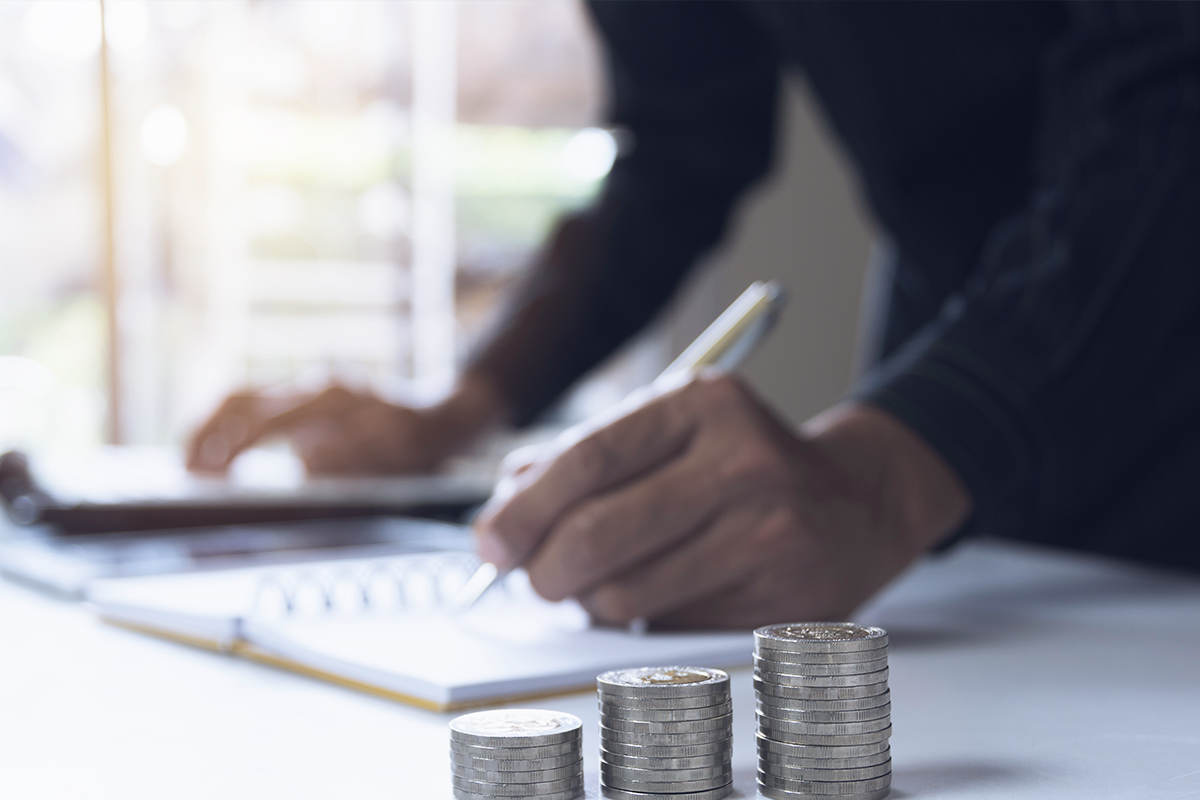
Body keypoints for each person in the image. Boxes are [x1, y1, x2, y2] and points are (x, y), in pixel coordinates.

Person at [189, 2, 1200, 628]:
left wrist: (896, 470)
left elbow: (1175, 96)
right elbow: (677, 145)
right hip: (963, 365)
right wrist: (463, 402)